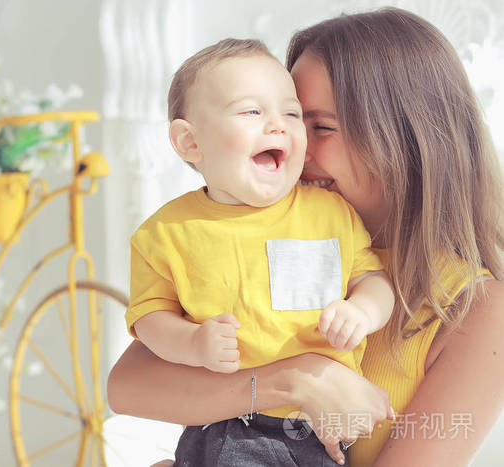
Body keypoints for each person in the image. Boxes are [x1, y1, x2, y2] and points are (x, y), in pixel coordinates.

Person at [108, 7, 504, 467]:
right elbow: (129, 384)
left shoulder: (475, 307)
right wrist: (296, 378)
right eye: (284, 115)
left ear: (404, 136)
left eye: (318, 125)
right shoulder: (265, 237)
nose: (292, 142)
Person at [126, 38, 395, 466]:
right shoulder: (166, 233)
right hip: (226, 422)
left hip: (318, 428)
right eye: (252, 111)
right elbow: (149, 318)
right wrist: (193, 343)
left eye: (292, 113)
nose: (278, 125)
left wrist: (363, 310)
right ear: (190, 143)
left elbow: (372, 279)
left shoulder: (330, 213)